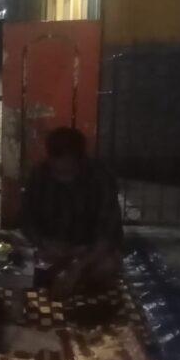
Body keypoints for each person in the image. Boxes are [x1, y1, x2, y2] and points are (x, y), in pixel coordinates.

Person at [21, 126, 123, 301]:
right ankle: (64, 281)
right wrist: (44, 243)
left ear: (79, 160)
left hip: (87, 250)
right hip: (51, 248)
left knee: (106, 266)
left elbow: (108, 233)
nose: (61, 172)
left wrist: (78, 266)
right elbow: (26, 220)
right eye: (56, 167)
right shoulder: (39, 175)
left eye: (68, 167)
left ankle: (73, 281)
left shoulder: (100, 178)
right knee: (15, 257)